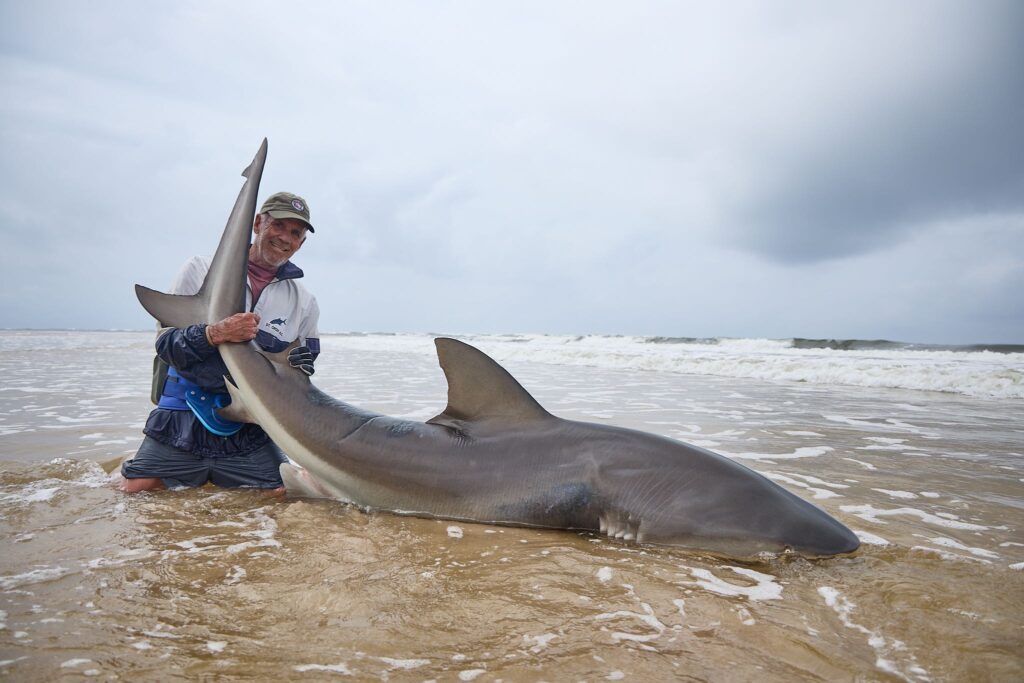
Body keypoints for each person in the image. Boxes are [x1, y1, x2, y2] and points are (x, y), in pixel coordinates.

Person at [120, 192, 320, 494]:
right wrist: (213, 334)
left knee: (284, 494)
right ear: (257, 224)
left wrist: (300, 366)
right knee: (136, 490)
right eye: (278, 225)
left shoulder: (304, 303)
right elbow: (166, 346)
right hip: (184, 411)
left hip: (248, 425)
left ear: (301, 243)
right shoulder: (200, 269)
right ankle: (130, 467)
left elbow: (299, 379)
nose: (285, 238)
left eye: (295, 233)